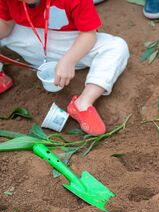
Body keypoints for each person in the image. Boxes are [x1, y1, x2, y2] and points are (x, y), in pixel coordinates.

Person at [0, 0, 129, 135]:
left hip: (69, 45)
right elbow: (6, 24)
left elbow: (88, 34)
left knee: (116, 47)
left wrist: (69, 60)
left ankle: (83, 103)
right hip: (28, 39)